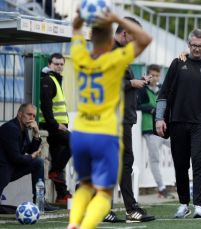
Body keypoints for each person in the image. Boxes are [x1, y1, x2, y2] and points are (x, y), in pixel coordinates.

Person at [67, 10, 152, 229]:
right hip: (109, 125)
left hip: (84, 127)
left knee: (90, 177)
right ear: (122, 34)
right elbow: (145, 40)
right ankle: (125, 209)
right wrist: (117, 18)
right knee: (117, 168)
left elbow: (76, 34)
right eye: (131, 33)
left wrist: (78, 24)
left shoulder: (83, 57)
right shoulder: (113, 56)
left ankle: (79, 218)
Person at [156, 29, 201, 219]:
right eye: (194, 46)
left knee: (199, 163)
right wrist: (160, 118)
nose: (197, 49)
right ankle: (183, 204)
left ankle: (199, 205)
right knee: (180, 165)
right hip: (177, 122)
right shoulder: (178, 63)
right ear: (188, 44)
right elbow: (164, 92)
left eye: (200, 46)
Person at [104, 16, 155, 224]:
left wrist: (137, 83)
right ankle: (124, 208)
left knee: (122, 162)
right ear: (125, 33)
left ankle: (126, 207)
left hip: (122, 118)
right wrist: (130, 83)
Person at [0, 103, 58, 211]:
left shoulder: (23, 128)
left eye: (34, 116)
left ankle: (40, 202)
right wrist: (31, 157)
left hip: (11, 169)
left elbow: (30, 149)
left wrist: (36, 134)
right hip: (3, 170)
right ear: (20, 114)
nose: (32, 118)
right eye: (29, 114)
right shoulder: (11, 129)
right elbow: (16, 158)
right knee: (35, 160)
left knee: (38, 162)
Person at [137, 64, 174, 199]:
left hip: (164, 128)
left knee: (180, 148)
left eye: (157, 75)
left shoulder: (162, 89)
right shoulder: (142, 88)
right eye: (152, 75)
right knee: (155, 160)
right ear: (148, 75)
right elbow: (137, 104)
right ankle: (161, 188)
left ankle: (182, 182)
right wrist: (152, 109)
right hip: (149, 129)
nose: (155, 78)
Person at [39, 53, 71, 204]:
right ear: (49, 64)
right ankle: (55, 172)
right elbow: (46, 106)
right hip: (51, 127)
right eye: (56, 64)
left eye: (61, 64)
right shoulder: (48, 80)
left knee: (58, 157)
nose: (59, 66)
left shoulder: (55, 79)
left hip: (58, 126)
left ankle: (61, 195)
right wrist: (55, 124)